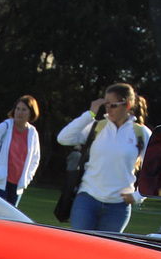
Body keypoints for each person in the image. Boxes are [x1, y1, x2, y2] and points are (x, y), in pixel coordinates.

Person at [56, 82, 151, 233]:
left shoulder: (141, 133)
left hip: (118, 206)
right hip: (87, 199)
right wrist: (90, 114)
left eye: (113, 105)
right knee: (79, 248)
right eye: (106, 104)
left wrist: (138, 196)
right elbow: (63, 138)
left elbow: (153, 170)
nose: (108, 109)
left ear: (127, 105)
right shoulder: (97, 127)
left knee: (103, 253)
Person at [0, 95, 41, 205]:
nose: (20, 113)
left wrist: (27, 179)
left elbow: (35, 160)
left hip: (18, 185)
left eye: (24, 110)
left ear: (31, 113)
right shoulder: (4, 127)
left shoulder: (33, 133)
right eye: (18, 109)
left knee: (11, 220)